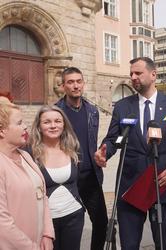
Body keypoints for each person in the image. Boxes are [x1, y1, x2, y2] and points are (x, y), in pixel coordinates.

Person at [94, 57, 166, 250]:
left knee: (164, 244)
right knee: (129, 244)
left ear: (153, 74)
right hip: (131, 184)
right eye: (131, 74)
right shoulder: (124, 106)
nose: (133, 77)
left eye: (138, 73)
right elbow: (113, 138)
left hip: (162, 184)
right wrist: (104, 152)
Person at [56, 67, 108, 250]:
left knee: (102, 223)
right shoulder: (56, 112)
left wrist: (100, 156)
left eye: (78, 81)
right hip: (67, 179)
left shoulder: (92, 111)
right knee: (70, 228)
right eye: (70, 82)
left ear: (83, 84)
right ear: (63, 86)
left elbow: (92, 141)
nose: (75, 86)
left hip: (91, 177)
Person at [0, 97, 54, 249]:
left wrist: (47, 234)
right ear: (2, 130)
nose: (25, 127)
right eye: (19, 123)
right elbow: (3, 225)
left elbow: (42, 196)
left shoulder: (26, 155)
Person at [29, 105, 84, 250]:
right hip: (44, 221)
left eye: (58, 121)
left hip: (74, 215)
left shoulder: (73, 148)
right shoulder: (30, 153)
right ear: (39, 126)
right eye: (47, 122)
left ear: (64, 124)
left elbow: (81, 180)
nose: (53, 126)